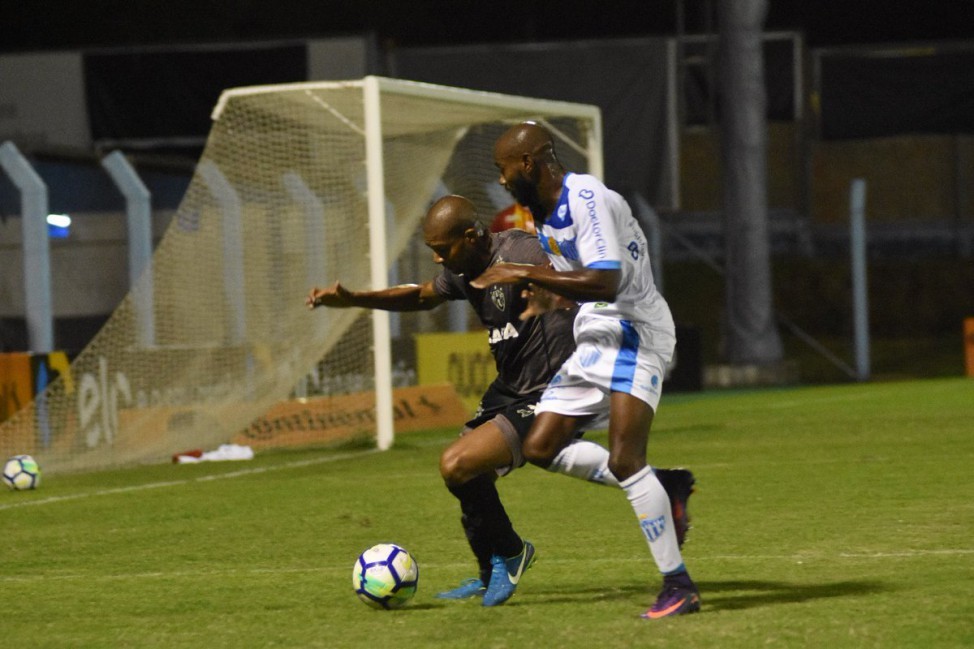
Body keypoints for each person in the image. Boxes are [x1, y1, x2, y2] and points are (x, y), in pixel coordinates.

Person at [307, 194, 694, 608]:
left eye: (442, 250)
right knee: (467, 478)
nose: (438, 260)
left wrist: (563, 303)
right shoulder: (464, 267)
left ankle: (511, 554)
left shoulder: (524, 250)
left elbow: (585, 277)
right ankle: (493, 568)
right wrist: (354, 299)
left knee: (458, 462)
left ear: (471, 237)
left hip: (548, 387)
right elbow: (419, 296)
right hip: (509, 387)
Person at [471, 122, 700, 619]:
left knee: (623, 459)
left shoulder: (585, 197)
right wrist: (546, 296)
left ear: (528, 163)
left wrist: (521, 272)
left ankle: (678, 585)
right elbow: (576, 282)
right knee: (540, 446)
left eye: (503, 169)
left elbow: (605, 280)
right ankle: (665, 485)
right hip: (597, 335)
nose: (503, 179)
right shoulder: (542, 211)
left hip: (636, 331)